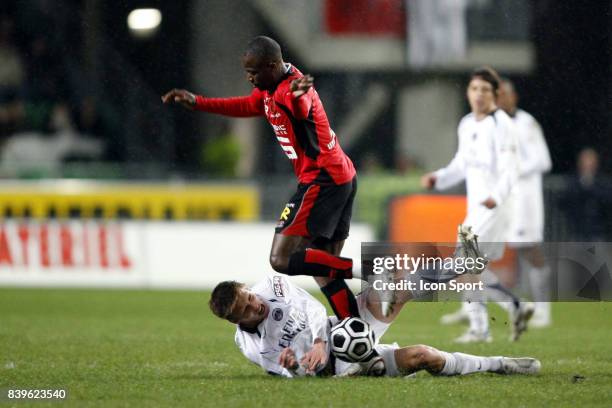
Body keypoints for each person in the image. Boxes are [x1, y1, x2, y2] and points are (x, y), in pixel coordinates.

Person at [163, 36, 360, 320]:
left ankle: (367, 268)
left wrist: (299, 94)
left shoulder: (287, 90)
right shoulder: (271, 88)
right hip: (340, 176)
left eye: (254, 72)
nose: (250, 78)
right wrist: (197, 102)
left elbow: (300, 103)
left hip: (323, 180)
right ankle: (362, 341)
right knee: (322, 268)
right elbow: (245, 106)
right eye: (247, 72)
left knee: (280, 259)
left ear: (271, 66)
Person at [208, 274, 541, 378]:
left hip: (338, 328)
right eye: (246, 309)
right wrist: (295, 366)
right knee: (425, 356)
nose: (255, 304)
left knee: (390, 290)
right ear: (236, 321)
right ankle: (496, 364)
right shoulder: (254, 347)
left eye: (247, 296)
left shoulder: (270, 285)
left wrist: (323, 338)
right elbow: (293, 372)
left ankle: (456, 271)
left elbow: (310, 307)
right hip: (337, 366)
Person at [421, 67, 533, 343]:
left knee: (463, 263)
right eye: (474, 89)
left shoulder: (502, 124)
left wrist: (497, 194)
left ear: (495, 94)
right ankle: (512, 306)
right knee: (472, 269)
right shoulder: (467, 124)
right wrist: (439, 178)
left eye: (485, 89)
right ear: (468, 93)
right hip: (478, 208)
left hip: (496, 205)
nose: (479, 94)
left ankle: (480, 329)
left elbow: (511, 167)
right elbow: (461, 164)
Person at [497, 78, 552, 327]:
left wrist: (513, 170)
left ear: (514, 97)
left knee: (530, 250)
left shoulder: (526, 123)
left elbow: (543, 160)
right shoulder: (495, 125)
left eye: (506, 95)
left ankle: (543, 308)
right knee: (504, 250)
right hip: (505, 198)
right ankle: (520, 305)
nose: (502, 99)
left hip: (525, 199)